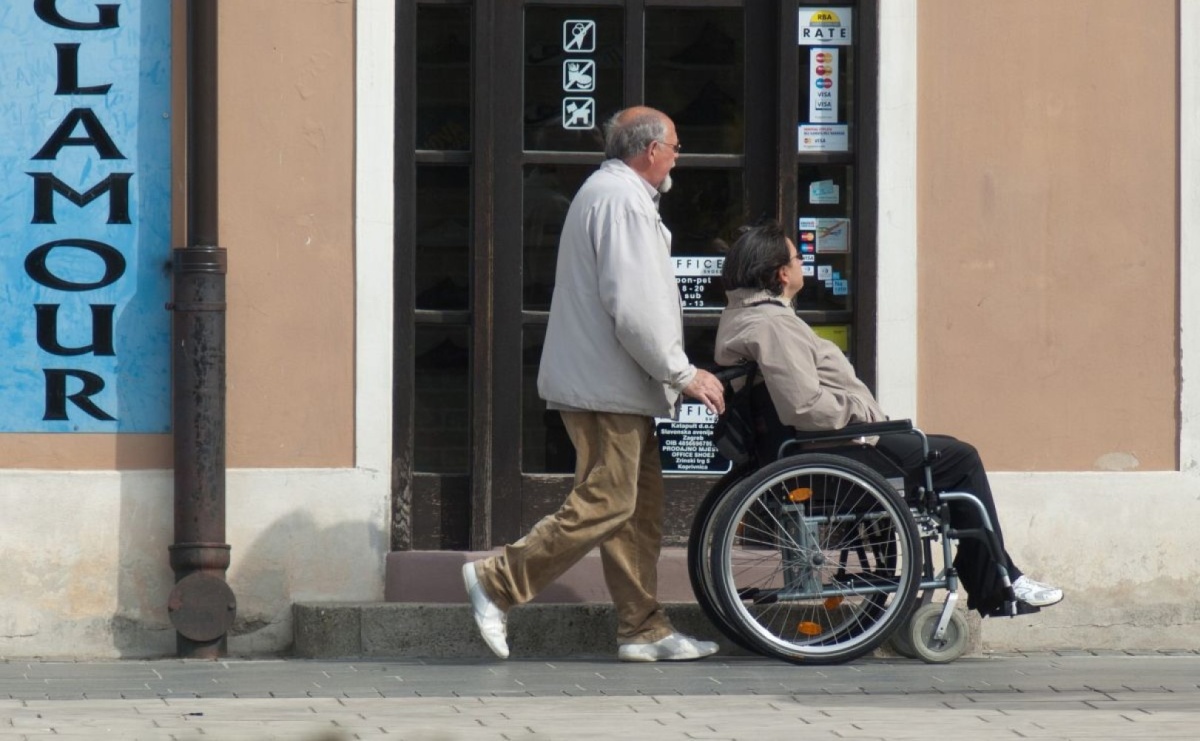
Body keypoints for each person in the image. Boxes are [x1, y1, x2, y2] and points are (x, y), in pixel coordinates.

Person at [462, 106, 727, 662]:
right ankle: (497, 580)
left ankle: (643, 628)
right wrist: (682, 372)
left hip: (614, 384)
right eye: (675, 146)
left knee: (637, 509)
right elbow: (635, 307)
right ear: (650, 150)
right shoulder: (622, 201)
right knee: (608, 502)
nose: (679, 156)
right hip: (607, 386)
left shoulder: (614, 195)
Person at [713, 220, 1064, 617]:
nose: (802, 264)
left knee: (943, 454)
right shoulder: (773, 325)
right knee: (959, 458)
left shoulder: (746, 317)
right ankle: (998, 577)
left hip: (821, 447)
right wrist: (862, 414)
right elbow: (804, 407)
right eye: (798, 257)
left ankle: (994, 571)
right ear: (781, 273)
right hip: (833, 448)